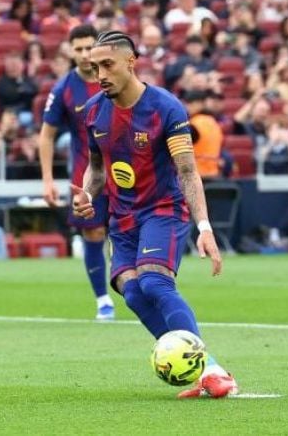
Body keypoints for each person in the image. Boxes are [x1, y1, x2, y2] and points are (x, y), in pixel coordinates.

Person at [72, 31, 238, 398]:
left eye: (107, 65)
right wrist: (86, 195)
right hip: (122, 218)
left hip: (163, 209)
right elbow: (97, 170)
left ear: (131, 62)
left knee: (154, 283)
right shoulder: (94, 112)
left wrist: (204, 227)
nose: (100, 74)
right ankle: (209, 369)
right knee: (132, 292)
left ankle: (209, 372)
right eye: (95, 67)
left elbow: (187, 171)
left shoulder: (165, 108)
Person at [38, 25, 115, 321]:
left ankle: (134, 288)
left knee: (127, 231)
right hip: (87, 175)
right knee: (93, 232)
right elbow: (46, 136)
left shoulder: (116, 78)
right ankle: (103, 300)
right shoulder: (64, 89)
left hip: (123, 171)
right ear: (70, 51)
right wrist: (47, 180)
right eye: (78, 49)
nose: (84, 54)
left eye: (88, 48)